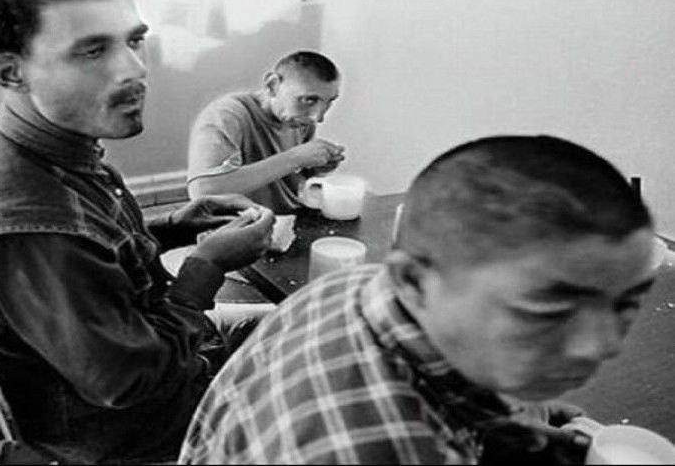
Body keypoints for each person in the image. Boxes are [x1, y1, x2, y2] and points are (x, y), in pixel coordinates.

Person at [0, 0, 275, 463]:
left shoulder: (43, 148)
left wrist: (176, 224)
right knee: (328, 396)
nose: (135, 69)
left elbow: (95, 247)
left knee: (310, 320)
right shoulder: (29, 225)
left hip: (156, 342)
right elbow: (130, 382)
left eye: (134, 40)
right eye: (93, 50)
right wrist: (207, 266)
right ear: (11, 72)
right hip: (137, 429)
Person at [178, 135, 658, 464]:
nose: (602, 345)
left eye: (626, 304)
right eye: (548, 310)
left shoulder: (346, 287)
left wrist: (503, 428)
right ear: (414, 280)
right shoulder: (395, 452)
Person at [187, 50, 345, 214]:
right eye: (309, 100)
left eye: (330, 101)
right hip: (243, 224)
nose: (318, 117)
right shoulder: (226, 115)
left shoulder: (300, 120)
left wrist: (317, 166)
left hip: (292, 218)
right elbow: (203, 191)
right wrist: (295, 157)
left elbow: (293, 179)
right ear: (272, 85)